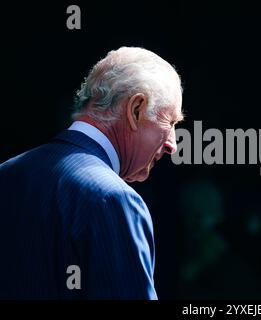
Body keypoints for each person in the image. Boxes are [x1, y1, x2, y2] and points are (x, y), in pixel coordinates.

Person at [0, 47, 184, 299]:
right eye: (170, 122)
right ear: (136, 109)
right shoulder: (114, 200)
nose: (172, 144)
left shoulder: (7, 173)